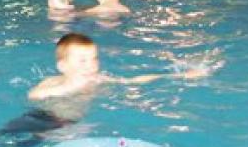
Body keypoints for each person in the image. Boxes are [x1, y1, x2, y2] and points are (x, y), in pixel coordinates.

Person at [27, 33, 170, 101]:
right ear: (63, 66)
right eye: (82, 61)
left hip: (69, 124)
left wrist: (173, 76)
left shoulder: (98, 80)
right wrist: (71, 87)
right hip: (43, 118)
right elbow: (33, 95)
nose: (90, 66)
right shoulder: (54, 82)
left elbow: (133, 81)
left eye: (94, 59)